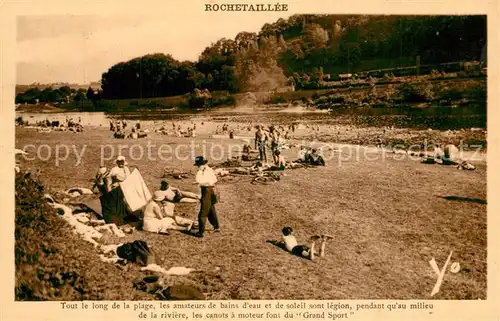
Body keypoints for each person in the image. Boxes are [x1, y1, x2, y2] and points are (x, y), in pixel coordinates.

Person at [192, 156, 220, 237]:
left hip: (206, 191)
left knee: (203, 212)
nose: (198, 167)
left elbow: (199, 180)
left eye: (199, 165)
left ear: (202, 164)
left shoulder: (201, 171)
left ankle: (200, 232)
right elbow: (214, 180)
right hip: (212, 190)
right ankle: (216, 227)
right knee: (211, 209)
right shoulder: (210, 170)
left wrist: (201, 182)